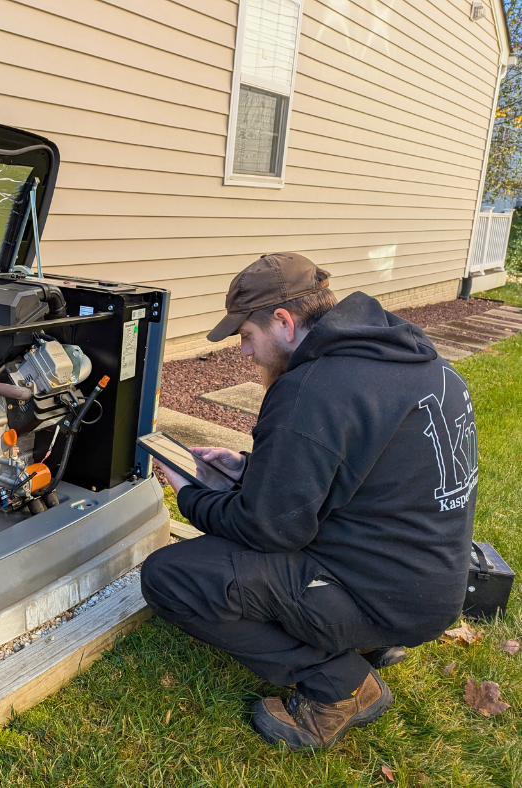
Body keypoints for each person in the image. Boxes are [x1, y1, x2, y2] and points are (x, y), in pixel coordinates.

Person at [142, 253, 477, 750]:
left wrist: (192, 495)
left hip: (379, 593)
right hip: (428, 582)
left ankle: (339, 684)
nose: (244, 353)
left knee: (170, 576)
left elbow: (267, 530)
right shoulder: (404, 359)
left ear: (283, 322)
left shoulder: (310, 391)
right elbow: (350, 472)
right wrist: (247, 469)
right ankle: (366, 641)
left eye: (246, 336)